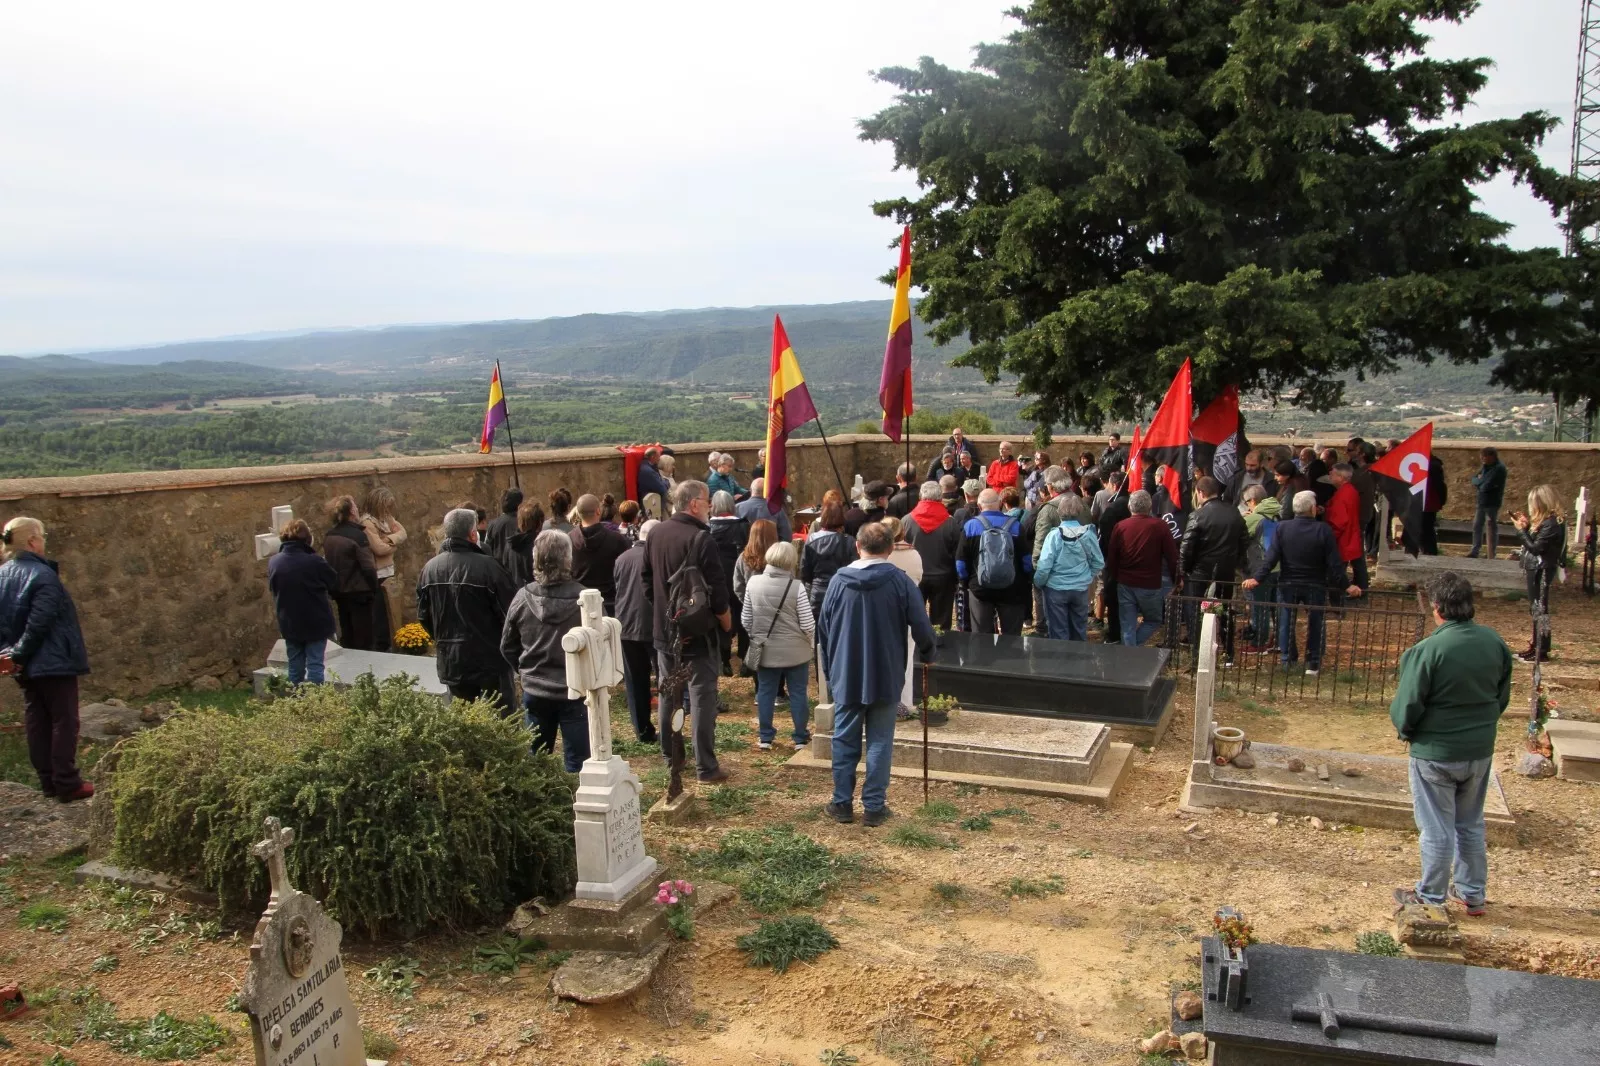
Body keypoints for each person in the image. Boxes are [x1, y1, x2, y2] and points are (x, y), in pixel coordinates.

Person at [1390, 572, 1512, 917]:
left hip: (1436, 752)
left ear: (1437, 607)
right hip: (1479, 749)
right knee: (1470, 823)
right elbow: (1501, 696)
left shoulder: (1427, 651)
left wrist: (1407, 730)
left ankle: (1431, 895)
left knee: (1436, 827)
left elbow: (1408, 706)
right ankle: (1473, 893)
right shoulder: (1494, 643)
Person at [818, 521, 936, 826]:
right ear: (889, 550)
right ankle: (873, 806)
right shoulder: (900, 581)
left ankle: (841, 802)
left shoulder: (837, 582)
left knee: (844, 738)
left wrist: (831, 671)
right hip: (885, 671)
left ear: (858, 546)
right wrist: (928, 651)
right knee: (880, 739)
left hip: (847, 672)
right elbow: (921, 624)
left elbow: (824, 630)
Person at [644, 481, 734, 782]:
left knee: (669, 696)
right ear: (694, 504)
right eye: (707, 502)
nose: (709, 507)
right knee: (701, 699)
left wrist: (664, 612)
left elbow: (646, 581)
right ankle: (706, 767)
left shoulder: (655, 532)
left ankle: (671, 757)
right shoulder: (701, 538)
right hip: (697, 634)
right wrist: (725, 621)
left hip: (664, 632)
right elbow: (718, 590)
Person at [0, 516, 93, 802]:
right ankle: (66, 781)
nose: (43, 542)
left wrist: (9, 655)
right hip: (51, 659)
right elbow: (40, 622)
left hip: (22, 663)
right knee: (64, 720)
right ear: (32, 541)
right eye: (42, 537)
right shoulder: (42, 576)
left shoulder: (3, 575)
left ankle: (48, 781)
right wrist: (19, 653)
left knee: (37, 719)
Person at [501, 530, 591, 772]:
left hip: (538, 688)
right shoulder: (586, 599)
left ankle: (541, 805)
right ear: (568, 559)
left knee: (535, 761)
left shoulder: (523, 597)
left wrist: (525, 671)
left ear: (536, 559)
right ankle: (575, 807)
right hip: (572, 689)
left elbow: (507, 645)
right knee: (579, 764)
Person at [417, 507, 520, 713]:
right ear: (473, 534)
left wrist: (443, 641)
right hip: (489, 660)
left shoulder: (429, 569)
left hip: (453, 660)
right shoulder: (489, 567)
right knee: (502, 722)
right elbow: (511, 615)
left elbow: (424, 617)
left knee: (465, 725)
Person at [1241, 491, 1353, 676]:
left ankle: (1287, 660)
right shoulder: (1323, 529)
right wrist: (1346, 585)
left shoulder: (1282, 528)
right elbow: (1334, 563)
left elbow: (1271, 558)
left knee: (1286, 622)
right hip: (1315, 584)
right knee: (1316, 622)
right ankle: (1313, 662)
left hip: (1288, 583)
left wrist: (1257, 578)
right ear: (1312, 509)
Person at [741, 540, 814, 751]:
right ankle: (800, 737)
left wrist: (757, 636)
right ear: (791, 561)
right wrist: (809, 642)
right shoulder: (796, 587)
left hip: (765, 648)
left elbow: (746, 619)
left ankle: (765, 737)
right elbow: (808, 623)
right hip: (796, 650)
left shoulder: (753, 583)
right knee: (798, 692)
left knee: (765, 692)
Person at [1180, 476, 1248, 657]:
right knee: (1224, 609)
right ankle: (1229, 650)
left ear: (1200, 493)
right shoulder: (1234, 512)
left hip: (1200, 571)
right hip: (1225, 570)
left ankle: (1198, 650)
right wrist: (1235, 562)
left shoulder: (1198, 515)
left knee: (1195, 609)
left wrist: (1184, 569)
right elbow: (1244, 542)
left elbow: (1186, 547)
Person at [267, 519, 339, 685]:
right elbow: (333, 581)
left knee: (295, 666)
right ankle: (314, 704)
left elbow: (273, 588)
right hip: (315, 621)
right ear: (307, 539)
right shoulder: (315, 561)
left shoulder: (274, 562)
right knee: (315, 664)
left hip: (289, 621)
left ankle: (295, 702)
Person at [1106, 490, 1180, 647]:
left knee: (1127, 625)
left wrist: (1114, 578)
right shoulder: (1160, 526)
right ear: (1150, 506)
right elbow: (1172, 556)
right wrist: (1177, 579)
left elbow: (1112, 558)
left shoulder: (1120, 527)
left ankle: (1129, 651)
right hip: (1149, 583)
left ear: (1129, 506)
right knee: (1153, 620)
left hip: (1125, 583)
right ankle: (1131, 651)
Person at [957, 488, 1033, 635]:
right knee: (1011, 638)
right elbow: (1026, 560)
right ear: (1000, 504)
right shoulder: (1016, 526)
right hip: (1012, 587)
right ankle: (1010, 657)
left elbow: (960, 562)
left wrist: (965, 582)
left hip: (979, 588)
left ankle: (985, 658)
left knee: (981, 636)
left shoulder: (971, 526)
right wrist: (1027, 579)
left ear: (979, 506)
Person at [612, 517, 659, 744]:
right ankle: (669, 728)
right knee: (665, 679)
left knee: (635, 681)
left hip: (627, 625)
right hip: (654, 625)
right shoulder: (657, 557)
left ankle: (642, 731)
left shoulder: (622, 558)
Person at [1033, 494, 1103, 641]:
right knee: (1079, 629)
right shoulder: (1089, 534)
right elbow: (1098, 562)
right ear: (1078, 511)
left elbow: (1044, 565)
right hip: (1080, 589)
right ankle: (1078, 661)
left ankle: (1062, 661)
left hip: (1055, 589)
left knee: (1058, 631)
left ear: (1059, 512)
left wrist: (1039, 582)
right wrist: (1087, 576)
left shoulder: (1053, 536)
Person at [1513, 485, 1565, 663]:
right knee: (1536, 609)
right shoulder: (1547, 522)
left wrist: (1521, 532)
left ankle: (1541, 649)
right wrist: (1526, 529)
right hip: (1536, 569)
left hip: (1541, 570)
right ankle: (1537, 645)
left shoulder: (1551, 524)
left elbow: (1536, 548)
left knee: (1540, 609)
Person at [322, 496, 379, 650]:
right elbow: (368, 567)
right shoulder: (357, 536)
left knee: (348, 633)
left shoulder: (329, 536)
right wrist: (374, 588)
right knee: (364, 637)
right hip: (359, 592)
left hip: (340, 592)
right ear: (352, 511)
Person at [905, 481, 962, 630]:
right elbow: (957, 553)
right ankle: (941, 649)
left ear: (920, 497)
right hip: (943, 577)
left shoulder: (907, 521)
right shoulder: (951, 522)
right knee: (941, 623)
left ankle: (918, 648)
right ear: (940, 497)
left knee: (914, 620)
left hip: (915, 577)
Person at [708, 491, 751, 675]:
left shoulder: (708, 527)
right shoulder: (743, 525)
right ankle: (745, 659)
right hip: (740, 573)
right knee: (743, 613)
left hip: (718, 575)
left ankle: (724, 660)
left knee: (721, 615)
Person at [360, 487, 408, 649]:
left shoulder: (386, 518)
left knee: (390, 612)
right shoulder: (367, 523)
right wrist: (394, 544)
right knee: (379, 613)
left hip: (389, 570)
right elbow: (379, 549)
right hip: (378, 573)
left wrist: (388, 539)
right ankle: (382, 645)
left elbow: (402, 533)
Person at [570, 493, 631, 615]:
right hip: (611, 604)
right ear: (598, 511)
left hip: (579, 604)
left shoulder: (568, 540)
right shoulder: (617, 540)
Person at [1239, 485, 1281, 652]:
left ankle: (1259, 642)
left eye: (1246, 502)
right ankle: (1278, 640)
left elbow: (1238, 536)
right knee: (1276, 607)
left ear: (1253, 501)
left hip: (1260, 568)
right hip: (1279, 566)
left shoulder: (1253, 518)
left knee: (1259, 607)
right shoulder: (1277, 513)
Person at [801, 498, 858, 618]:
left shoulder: (811, 540)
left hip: (818, 594)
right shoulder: (849, 542)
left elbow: (805, 572)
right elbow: (855, 572)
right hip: (843, 592)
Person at [1095, 480, 1133, 644]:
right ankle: (1126, 633)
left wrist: (1105, 556)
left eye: (1109, 485)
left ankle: (1115, 635)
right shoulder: (1129, 505)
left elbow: (1104, 538)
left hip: (1114, 562)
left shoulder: (1112, 511)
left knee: (1115, 600)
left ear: (1115, 486)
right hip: (1133, 561)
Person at [1323, 463, 1369, 596]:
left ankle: (1337, 605)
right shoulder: (1349, 490)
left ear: (1341, 477)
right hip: (1350, 535)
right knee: (1356, 566)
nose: (1330, 475)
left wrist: (1329, 539)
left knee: (1336, 574)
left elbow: (1339, 521)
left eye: (1333, 473)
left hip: (1343, 539)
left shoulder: (1344, 494)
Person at [1468, 448, 1508, 559]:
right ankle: (1475, 550)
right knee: (1477, 525)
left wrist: (1480, 482)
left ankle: (1491, 552)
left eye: (1484, 457)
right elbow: (1474, 480)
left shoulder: (1499, 469)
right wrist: (1480, 481)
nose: (1482, 459)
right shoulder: (1485, 467)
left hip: (1492, 502)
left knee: (1491, 527)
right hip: (1481, 501)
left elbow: (1487, 486)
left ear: (1491, 456)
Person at [736, 478, 793, 543]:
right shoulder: (777, 509)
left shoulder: (737, 508)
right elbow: (787, 537)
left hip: (744, 550)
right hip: (770, 550)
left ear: (751, 490)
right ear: (768, 491)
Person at [483, 487, 524, 574]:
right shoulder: (523, 523)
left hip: (498, 572)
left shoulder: (493, 524)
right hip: (518, 573)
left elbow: (487, 549)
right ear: (520, 504)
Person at [505, 498, 544, 587]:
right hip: (535, 596)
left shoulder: (510, 544)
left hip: (516, 596)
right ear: (539, 523)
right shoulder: (539, 546)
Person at [1420, 454, 1448, 555]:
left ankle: (1430, 552)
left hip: (1429, 501)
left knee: (1426, 528)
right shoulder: (1432, 464)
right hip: (1426, 501)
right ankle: (1426, 550)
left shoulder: (1432, 466)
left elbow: (1438, 486)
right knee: (1424, 528)